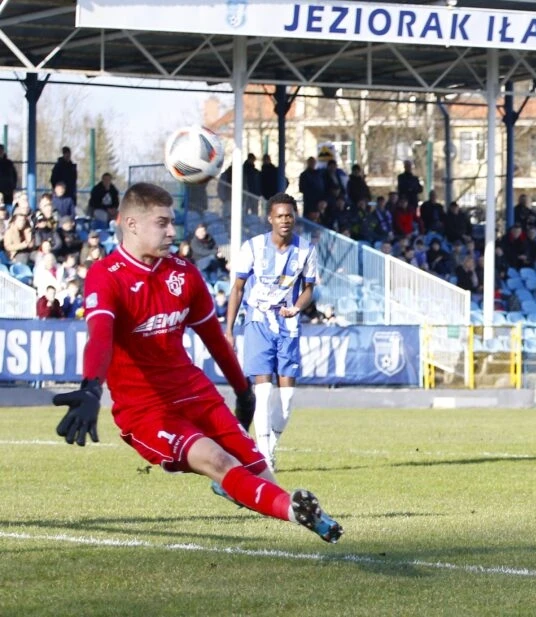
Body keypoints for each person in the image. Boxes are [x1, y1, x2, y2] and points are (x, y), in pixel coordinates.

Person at [51, 182, 341, 543]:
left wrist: (243, 391)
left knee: (259, 471)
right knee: (218, 461)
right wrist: (91, 388)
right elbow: (100, 336)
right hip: (148, 410)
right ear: (131, 224)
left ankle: (302, 513)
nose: (172, 232)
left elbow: (214, 339)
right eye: (162, 223)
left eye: (172, 222)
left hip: (196, 393)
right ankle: (294, 510)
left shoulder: (184, 274)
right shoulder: (106, 275)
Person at [225, 193, 319, 472]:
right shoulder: (252, 247)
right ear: (270, 218)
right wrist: (228, 330)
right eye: (279, 216)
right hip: (258, 322)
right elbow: (238, 289)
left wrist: (296, 308)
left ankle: (268, 448)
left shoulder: (306, 250)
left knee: (287, 402)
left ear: (295, 217)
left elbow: (309, 289)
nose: (285, 220)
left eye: (289, 215)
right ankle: (264, 457)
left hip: (288, 327)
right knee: (263, 392)